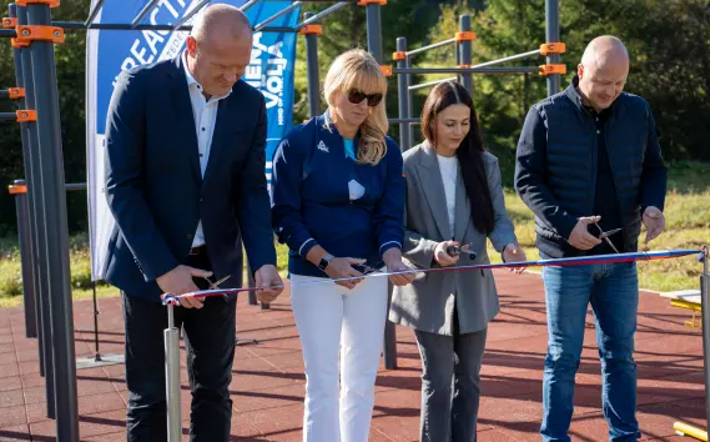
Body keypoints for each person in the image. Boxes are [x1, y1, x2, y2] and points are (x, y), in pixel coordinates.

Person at [102, 5, 283, 441]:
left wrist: (263, 260)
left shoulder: (250, 103)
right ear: (190, 47)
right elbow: (121, 187)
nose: (233, 78)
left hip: (216, 267)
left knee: (215, 391)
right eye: (222, 66)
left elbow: (251, 191)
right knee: (150, 396)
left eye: (241, 66)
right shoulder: (138, 89)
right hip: (149, 269)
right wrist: (166, 270)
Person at [514, 36, 667, 442]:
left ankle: (625, 435)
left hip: (620, 256)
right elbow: (526, 181)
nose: (610, 92)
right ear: (581, 72)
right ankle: (555, 437)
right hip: (565, 257)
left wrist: (653, 206)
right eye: (602, 82)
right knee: (564, 356)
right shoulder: (544, 115)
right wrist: (567, 226)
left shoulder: (637, 111)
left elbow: (655, 168)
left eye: (618, 84)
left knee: (621, 354)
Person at [271, 48, 414, 442]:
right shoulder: (298, 143)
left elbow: (389, 216)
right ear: (334, 90)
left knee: (362, 378)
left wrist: (393, 258)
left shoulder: (385, 149)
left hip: (372, 275)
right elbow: (284, 217)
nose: (364, 106)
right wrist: (326, 261)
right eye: (356, 95)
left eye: (374, 98)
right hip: (314, 276)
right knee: (321, 379)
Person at [389, 81, 527, 442]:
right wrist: (431, 250)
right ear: (431, 120)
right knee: (436, 379)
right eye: (450, 123)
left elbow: (498, 218)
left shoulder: (485, 163)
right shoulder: (406, 165)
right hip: (427, 288)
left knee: (469, 378)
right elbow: (395, 231)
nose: (458, 132)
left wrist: (508, 246)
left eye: (465, 123)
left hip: (472, 286)